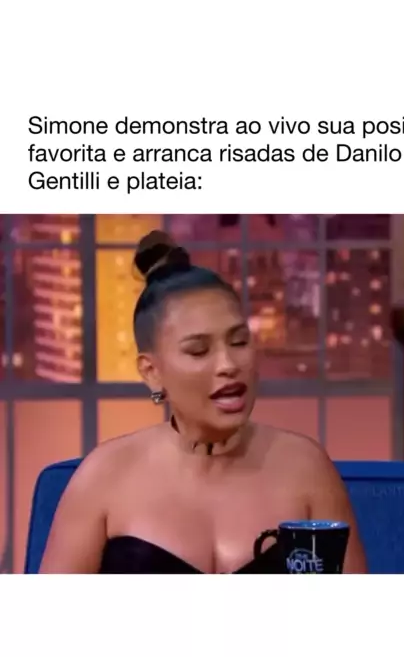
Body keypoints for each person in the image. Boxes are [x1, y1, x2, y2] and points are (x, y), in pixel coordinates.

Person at [40, 231, 367, 574]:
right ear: (152, 372)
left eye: (239, 342)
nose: (228, 364)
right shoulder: (102, 478)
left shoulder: (306, 469)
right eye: (198, 351)